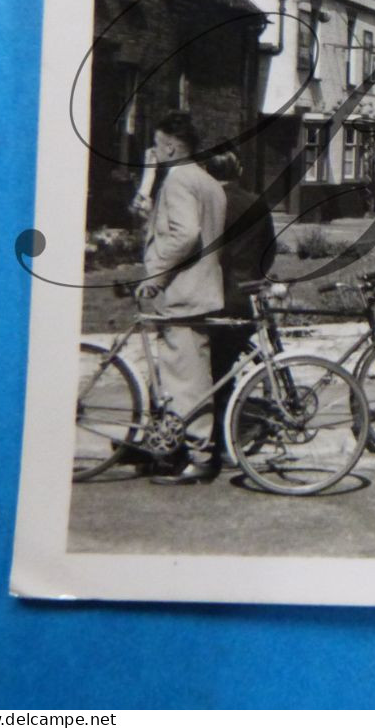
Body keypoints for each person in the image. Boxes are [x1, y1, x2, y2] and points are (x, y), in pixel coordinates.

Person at [135, 112, 227, 485]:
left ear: (170, 146)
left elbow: (185, 235)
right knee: (188, 375)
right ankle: (175, 448)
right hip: (202, 289)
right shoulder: (209, 182)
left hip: (182, 294)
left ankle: (200, 456)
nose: (153, 152)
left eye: (157, 146)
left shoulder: (176, 180)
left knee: (185, 380)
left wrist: (156, 276)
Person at [202, 148, 277, 472]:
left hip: (210, 298)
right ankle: (227, 431)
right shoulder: (255, 203)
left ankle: (215, 439)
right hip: (244, 298)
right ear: (239, 170)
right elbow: (269, 250)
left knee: (210, 369)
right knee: (225, 367)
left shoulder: (206, 204)